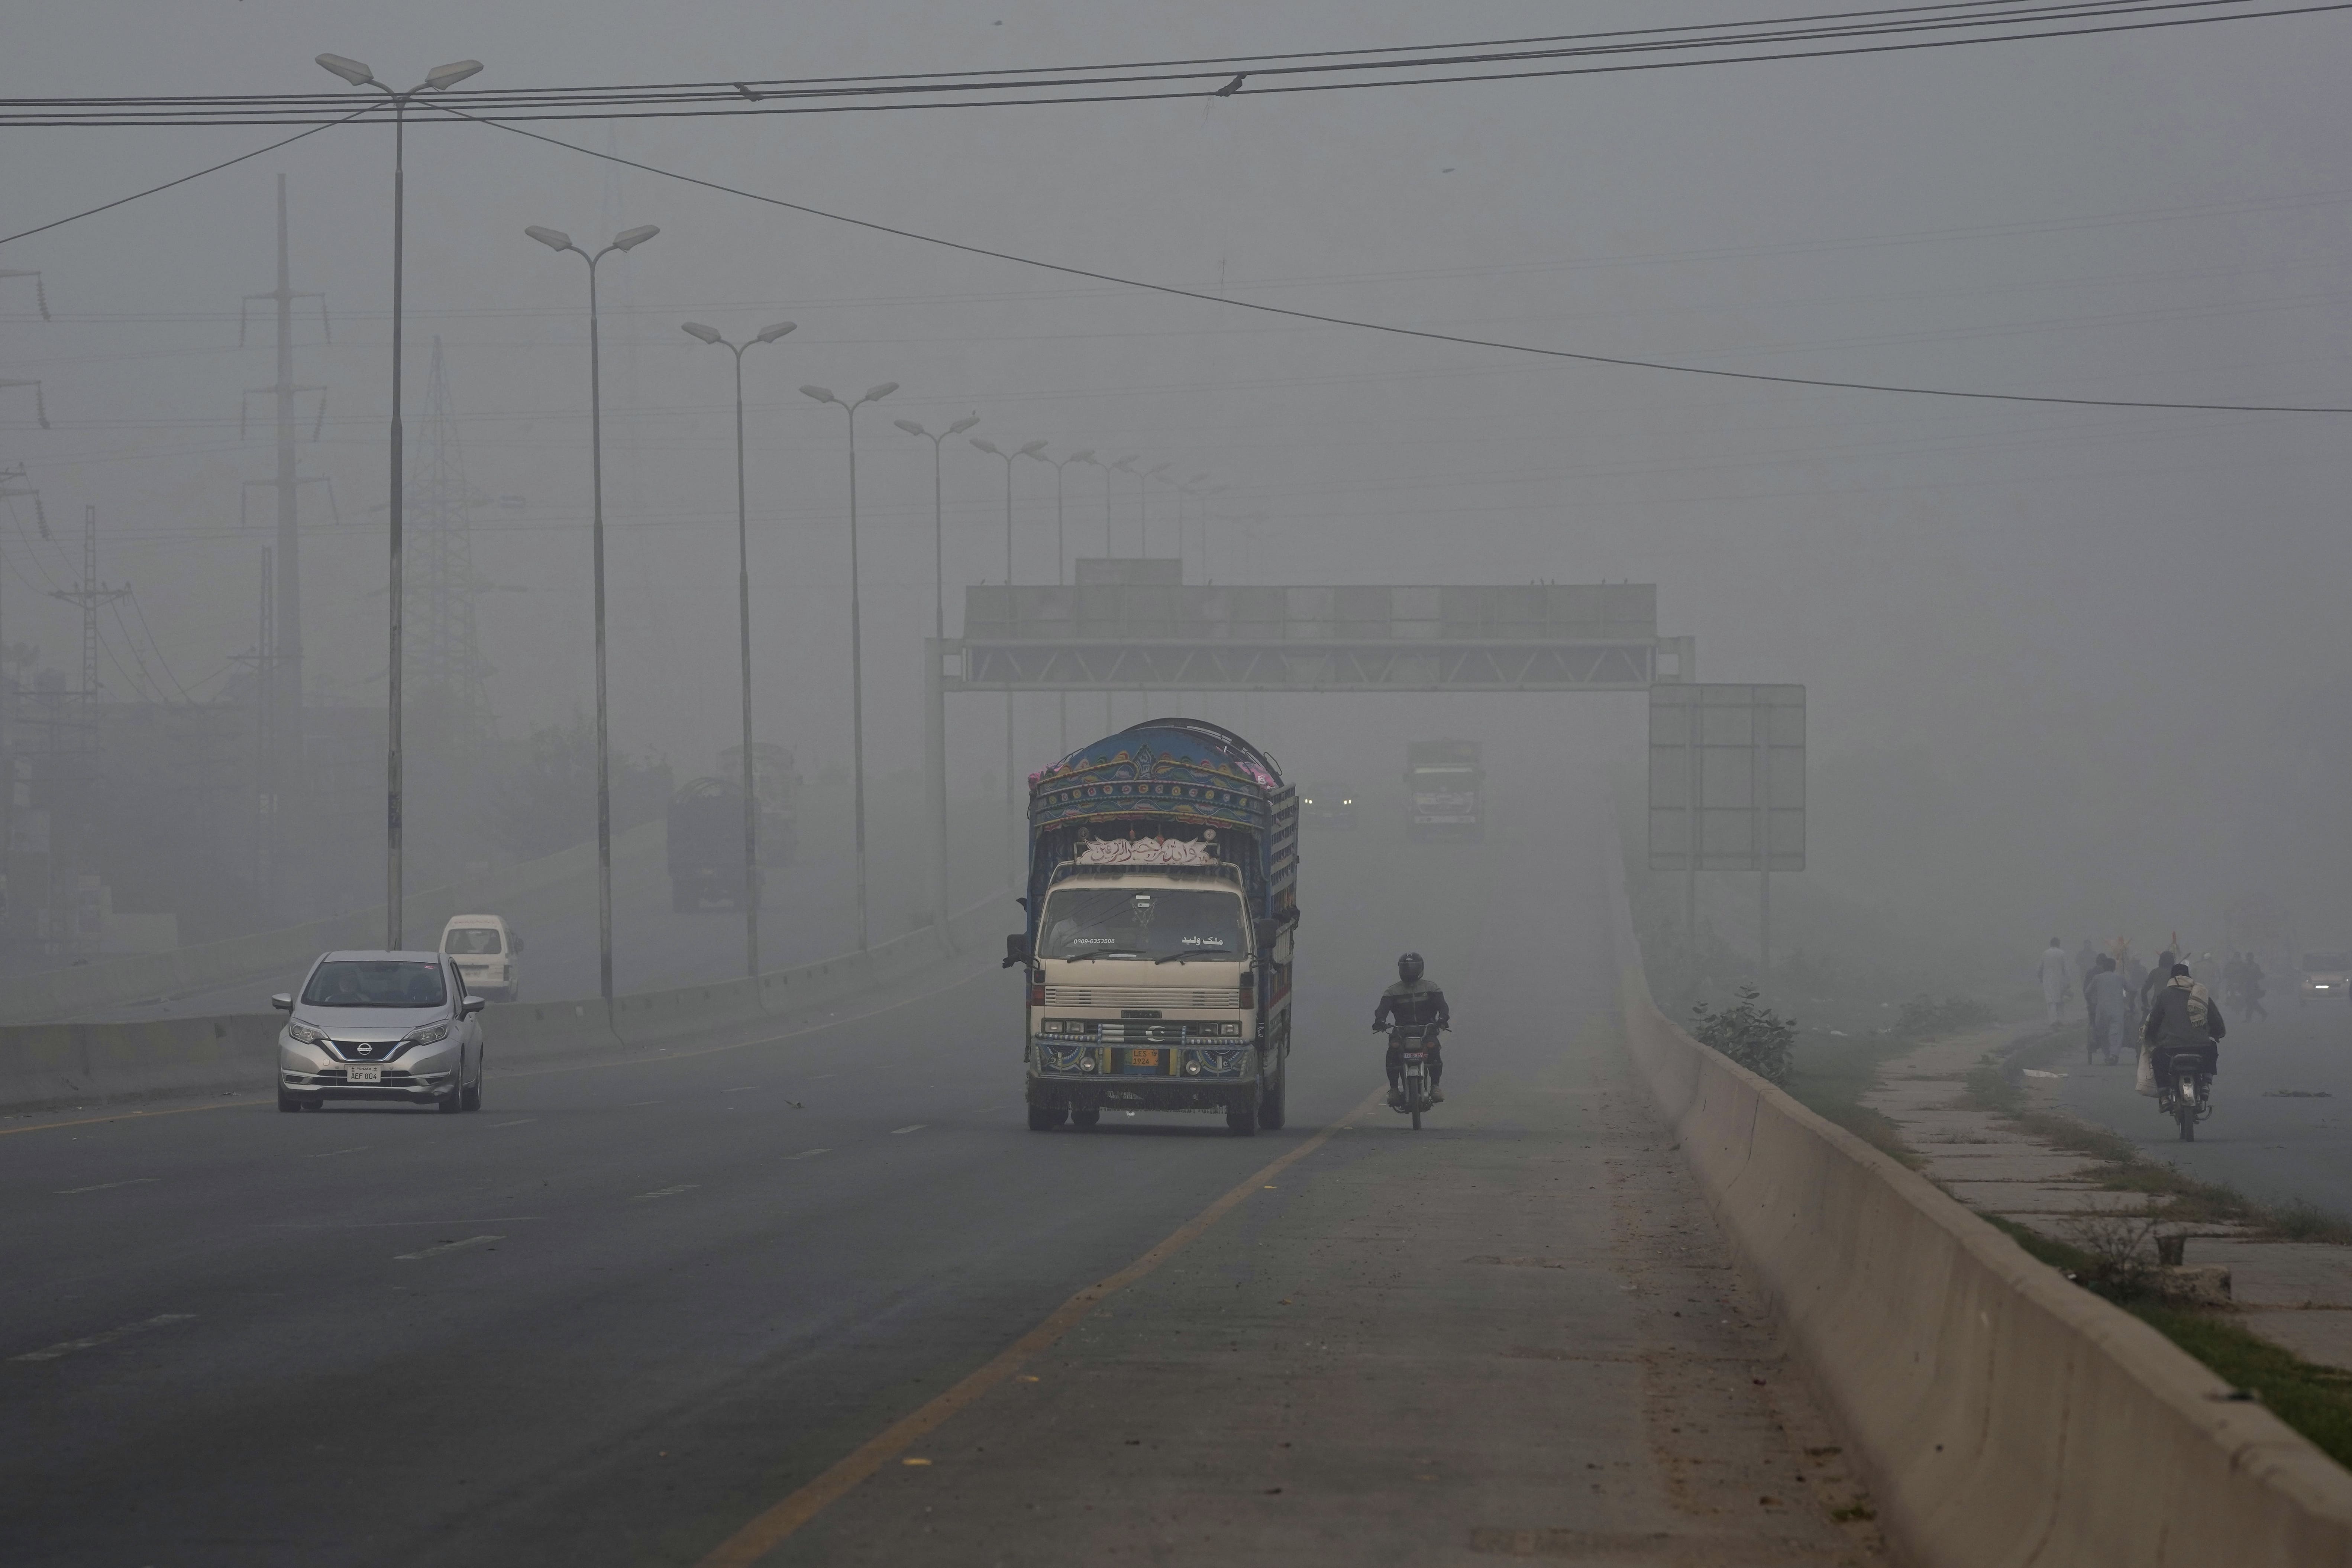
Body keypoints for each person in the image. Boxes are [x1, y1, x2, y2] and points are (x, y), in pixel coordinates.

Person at [1372, 951, 1451, 1106]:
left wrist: (1442, 1020)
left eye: (1413, 967)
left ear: (1421, 968)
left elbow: (1443, 1006)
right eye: (1406, 968)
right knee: (1393, 1052)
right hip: (1401, 1031)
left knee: (1433, 1049)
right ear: (1400, 969)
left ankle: (1435, 1086)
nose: (1410, 971)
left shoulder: (1432, 988)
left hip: (1427, 1030)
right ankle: (1394, 1089)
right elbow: (1382, 1009)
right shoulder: (1392, 991)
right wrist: (1380, 1021)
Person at [2142, 961, 2225, 1095]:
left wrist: (2151, 1038)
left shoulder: (2164, 995)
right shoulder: (2202, 994)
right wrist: (2218, 1033)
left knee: (2157, 1057)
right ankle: (2206, 1082)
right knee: (2212, 1047)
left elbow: (2154, 1021)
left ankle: (2164, 1095)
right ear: (2190, 977)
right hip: (2200, 1047)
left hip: (2171, 1048)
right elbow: (2215, 1019)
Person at [2084, 954, 2128, 1065]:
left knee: (2103, 1033)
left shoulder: (2097, 978)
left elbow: (2087, 992)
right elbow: (2132, 990)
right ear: (2114, 968)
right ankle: (2114, 1055)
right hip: (2117, 1010)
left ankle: (2108, 1056)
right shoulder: (2120, 978)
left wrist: (2092, 1004)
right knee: (2116, 1033)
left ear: (2103, 967)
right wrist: (2130, 1003)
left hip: (2101, 1011)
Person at [2037, 938, 2072, 1027]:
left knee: (2051, 1001)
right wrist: (2068, 981)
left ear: (2050, 944)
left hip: (2047, 980)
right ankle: (2061, 1020)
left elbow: (2040, 968)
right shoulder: (2062, 953)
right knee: (2060, 1001)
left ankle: (2053, 1021)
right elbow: (2066, 969)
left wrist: (2040, 978)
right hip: (2060, 980)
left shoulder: (2045, 953)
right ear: (2059, 944)